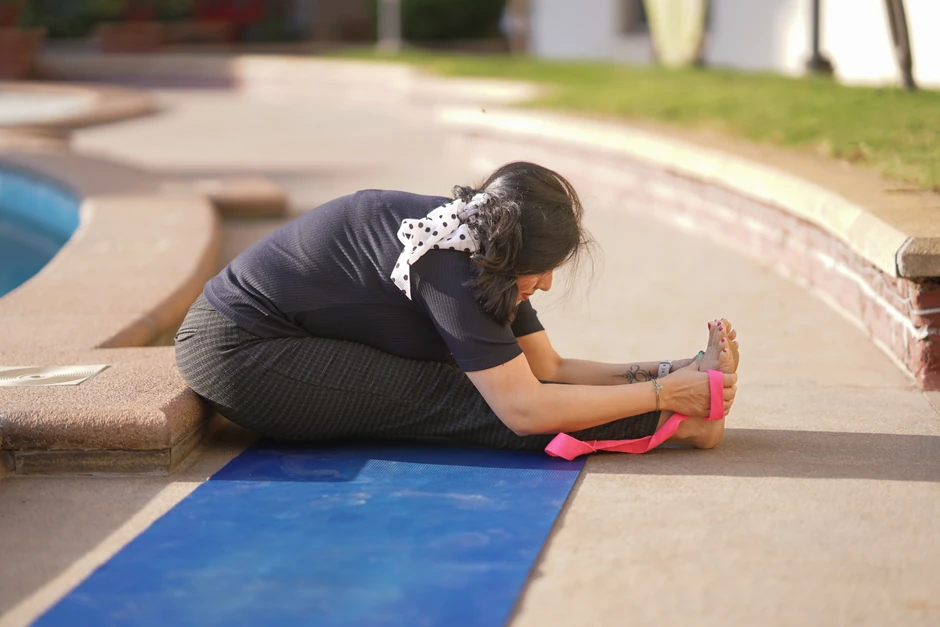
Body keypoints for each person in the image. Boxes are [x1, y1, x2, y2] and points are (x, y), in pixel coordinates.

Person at [175, 161, 739, 452]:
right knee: (459, 399)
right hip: (241, 354)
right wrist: (667, 398)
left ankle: (683, 403)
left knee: (499, 382)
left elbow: (550, 368)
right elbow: (525, 410)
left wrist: (677, 369)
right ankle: (682, 427)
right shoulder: (452, 267)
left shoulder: (489, 239)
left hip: (279, 335)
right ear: (515, 253)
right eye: (542, 269)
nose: (545, 285)